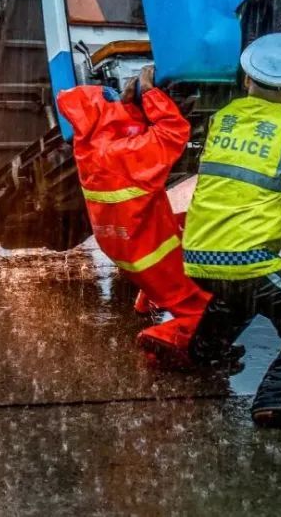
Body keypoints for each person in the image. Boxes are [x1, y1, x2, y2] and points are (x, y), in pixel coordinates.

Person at [184, 33, 281, 430]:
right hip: (247, 257)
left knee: (235, 297)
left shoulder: (224, 116)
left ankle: (203, 353)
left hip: (198, 254)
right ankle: (277, 396)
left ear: (246, 80)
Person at [56, 65, 213, 363]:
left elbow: (119, 128)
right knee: (201, 308)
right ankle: (162, 338)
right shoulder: (123, 154)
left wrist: (132, 106)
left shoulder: (88, 147)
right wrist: (151, 94)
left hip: (124, 242)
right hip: (149, 249)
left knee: (190, 223)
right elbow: (173, 133)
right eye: (112, 101)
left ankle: (150, 297)